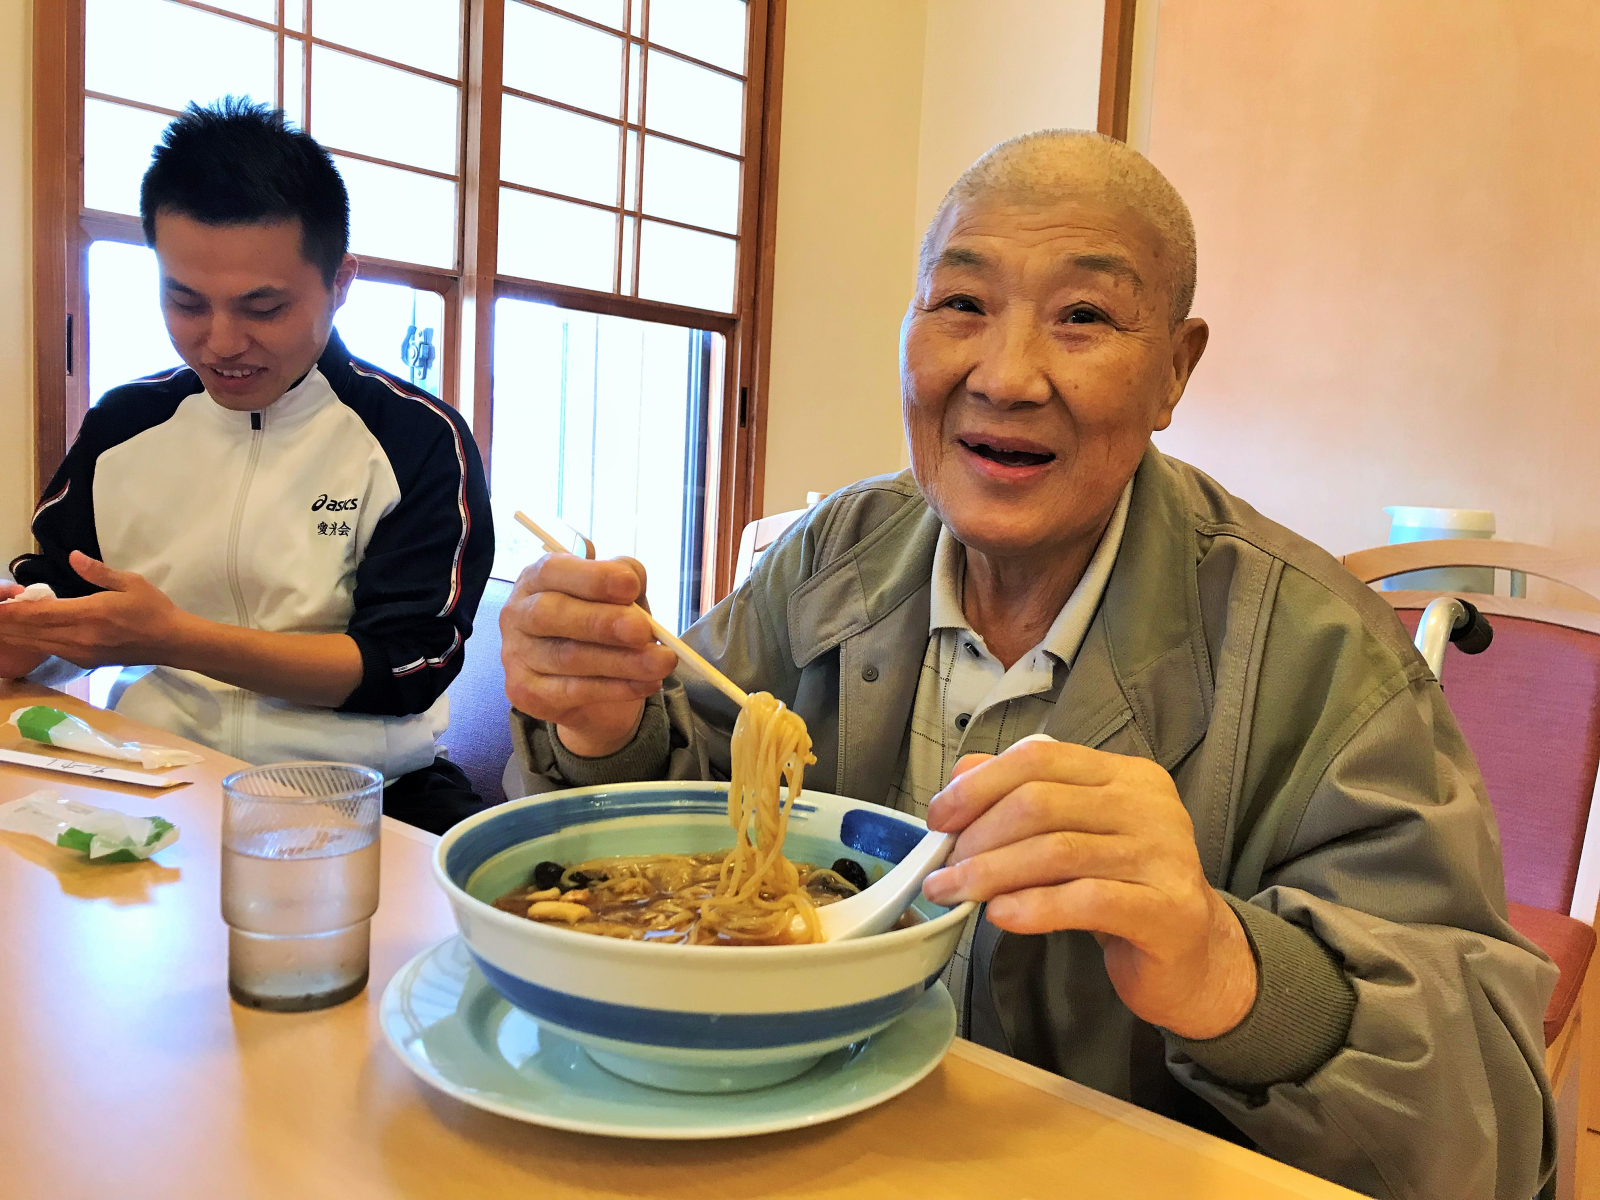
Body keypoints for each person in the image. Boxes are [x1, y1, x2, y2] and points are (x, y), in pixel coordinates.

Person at [497, 130, 1555, 1197]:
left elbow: (1497, 1135)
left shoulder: (1327, 657)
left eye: (1084, 317)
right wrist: (601, 725)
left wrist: (1223, 968)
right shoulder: (837, 554)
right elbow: (676, 822)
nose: (1003, 377)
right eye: (960, 305)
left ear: (1174, 371)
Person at [0, 99, 494, 834]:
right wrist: (27, 632)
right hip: (160, 770)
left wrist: (172, 637)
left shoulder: (416, 438)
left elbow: (403, 668)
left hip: (369, 790)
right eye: (185, 301)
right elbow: (62, 596)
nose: (220, 343)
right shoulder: (125, 423)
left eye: (263, 308)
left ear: (340, 281)